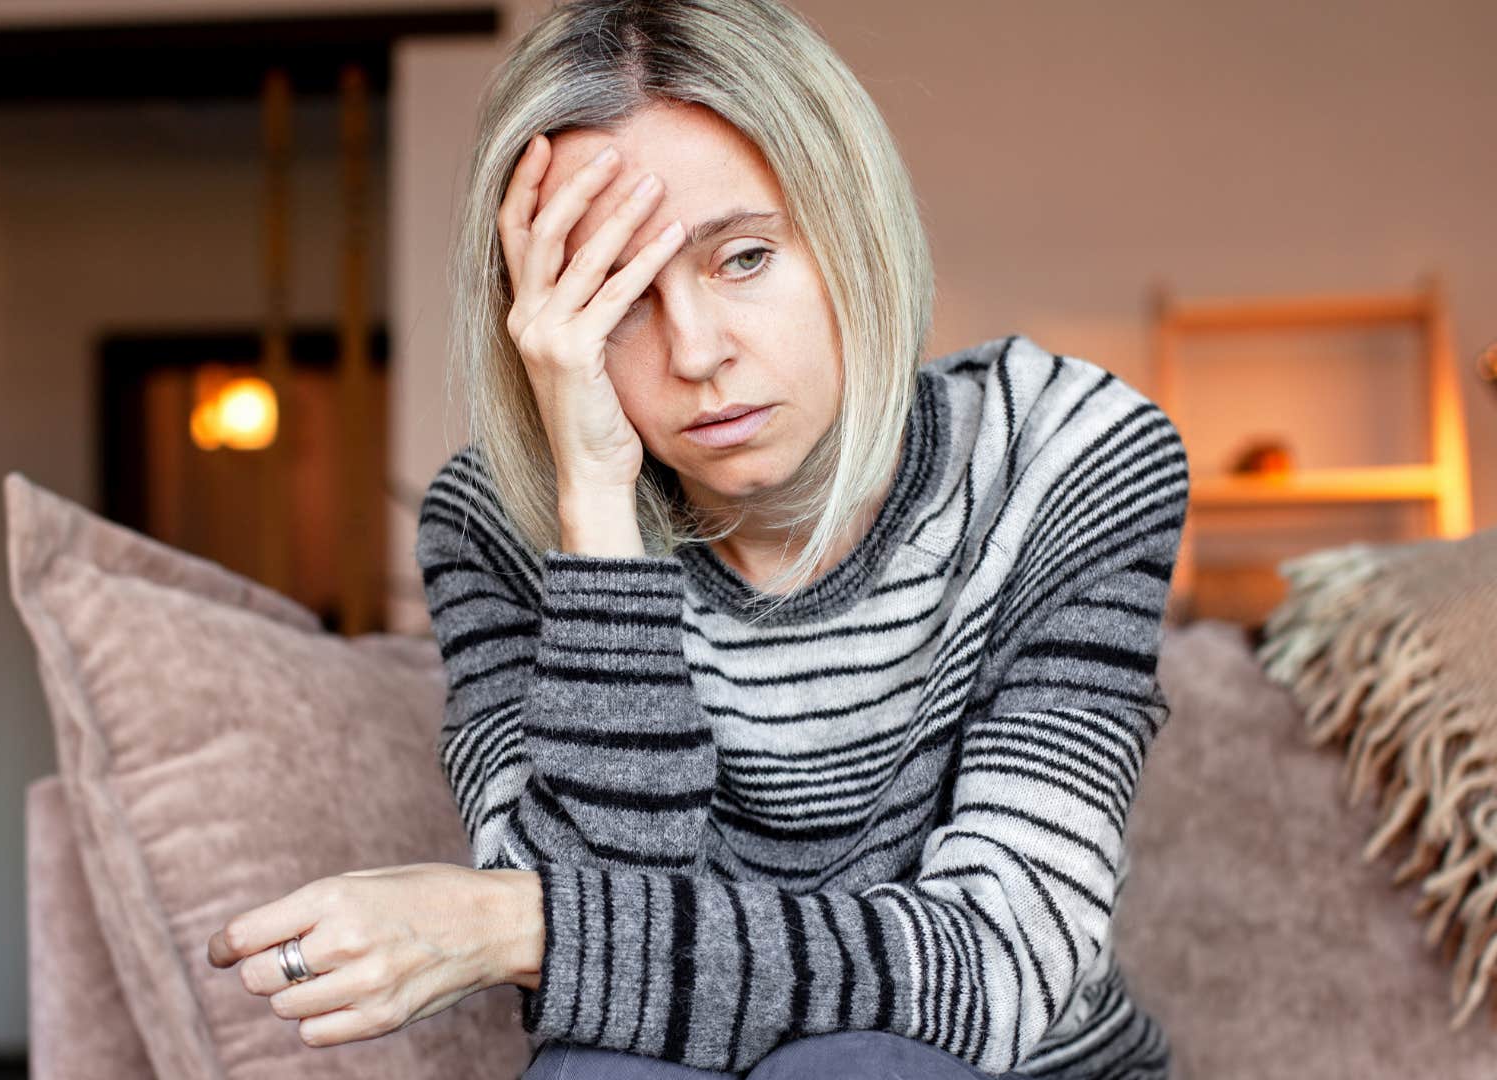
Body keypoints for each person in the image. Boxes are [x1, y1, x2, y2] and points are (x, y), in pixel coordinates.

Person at [207, 1, 1189, 1078]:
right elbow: (590, 1013)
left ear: (853, 225)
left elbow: (999, 972)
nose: (696, 350)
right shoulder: (493, 525)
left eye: (746, 257)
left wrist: (513, 927)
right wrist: (595, 507)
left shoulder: (1067, 454)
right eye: (615, 295)